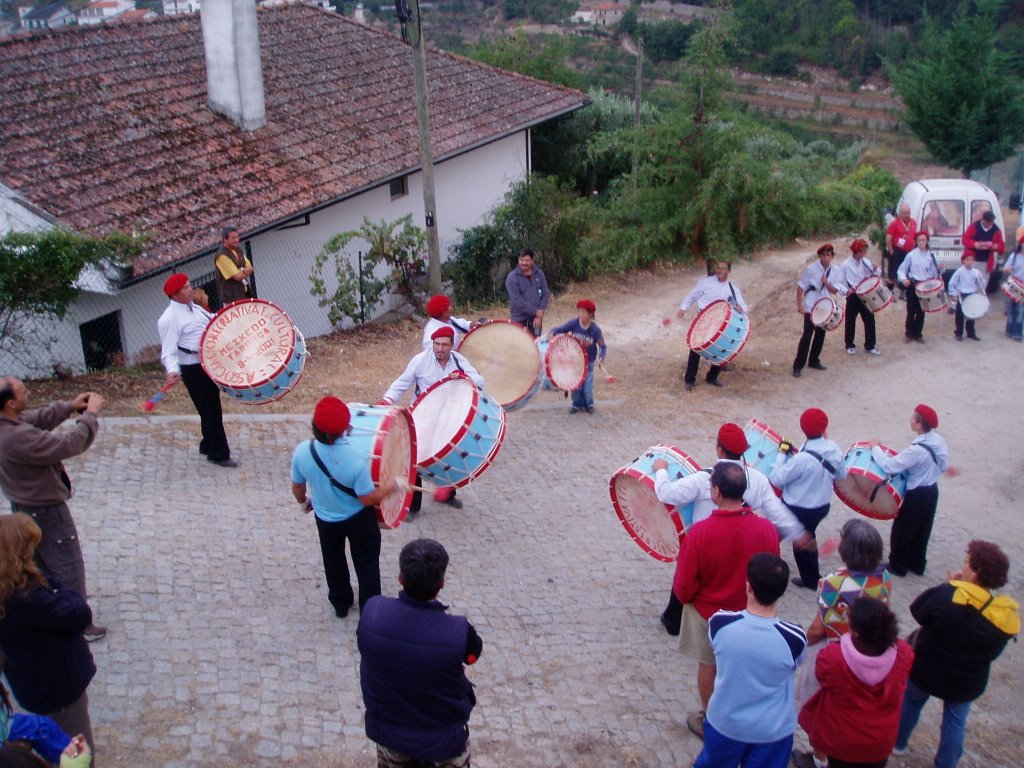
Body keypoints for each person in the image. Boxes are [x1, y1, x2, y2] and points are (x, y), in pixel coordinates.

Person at [654, 423, 809, 635]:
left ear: (719, 449)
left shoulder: (705, 478)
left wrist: (661, 470)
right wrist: (799, 533)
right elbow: (776, 511)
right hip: (741, 539)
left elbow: (667, 494)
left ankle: (674, 620)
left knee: (691, 575)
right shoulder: (758, 479)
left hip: (706, 540)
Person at [672, 463, 781, 741]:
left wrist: (691, 601)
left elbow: (683, 587)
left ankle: (711, 718)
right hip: (750, 613)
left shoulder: (699, 533)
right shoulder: (766, 530)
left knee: (708, 664)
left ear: (716, 492)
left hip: (708, 613)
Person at [358, 538, 482, 768]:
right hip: (443, 738)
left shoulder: (373, 613)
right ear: (442, 582)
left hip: (390, 730)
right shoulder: (458, 632)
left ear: (400, 579)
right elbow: (474, 654)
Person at [894, 541, 1019, 768]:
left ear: (975, 571)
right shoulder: (1002, 615)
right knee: (955, 722)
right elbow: (993, 653)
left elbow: (918, 611)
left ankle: (898, 743)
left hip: (927, 669)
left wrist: (949, 585)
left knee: (911, 702)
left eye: (967, 562)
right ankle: (946, 763)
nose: (963, 565)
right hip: (967, 681)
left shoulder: (948, 595)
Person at [0, 378, 106, 641]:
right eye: (24, 392)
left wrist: (69, 407)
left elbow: (34, 418)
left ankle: (48, 610)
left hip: (23, 507)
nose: (28, 395)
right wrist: (90, 415)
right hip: (46, 509)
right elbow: (70, 443)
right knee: (67, 563)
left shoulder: (8, 425)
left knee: (39, 563)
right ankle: (79, 621)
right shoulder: (17, 438)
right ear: (11, 403)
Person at [791, 520, 895, 768]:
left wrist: (800, 646)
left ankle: (819, 759)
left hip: (835, 650)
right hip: (871, 649)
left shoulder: (831, 584)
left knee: (818, 708)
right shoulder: (884, 578)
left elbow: (818, 628)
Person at [291, 397, 405, 618]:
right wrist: (393, 487)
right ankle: (370, 611)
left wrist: (303, 501)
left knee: (332, 560)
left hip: (325, 518)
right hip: (358, 520)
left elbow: (297, 487)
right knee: (367, 564)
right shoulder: (356, 459)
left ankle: (340, 603)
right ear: (345, 428)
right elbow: (367, 499)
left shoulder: (303, 451)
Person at [692, 553, 805, 768]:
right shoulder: (794, 637)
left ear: (748, 587)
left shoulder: (720, 624)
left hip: (726, 722)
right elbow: (796, 663)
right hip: (772, 729)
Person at [0, 514, 96, 759]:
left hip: (33, 685)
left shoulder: (8, 591)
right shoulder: (29, 599)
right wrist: (58, 586)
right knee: (76, 748)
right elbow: (79, 613)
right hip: (58, 688)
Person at [797, 597, 913, 768]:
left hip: (842, 738)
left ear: (856, 632)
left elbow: (823, 676)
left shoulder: (833, 657)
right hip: (881, 738)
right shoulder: (903, 653)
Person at [381, 326, 484, 512]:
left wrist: (464, 377)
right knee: (415, 457)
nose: (440, 349)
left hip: (450, 415)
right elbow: (401, 383)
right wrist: (387, 400)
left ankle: (447, 494)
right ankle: (413, 506)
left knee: (450, 453)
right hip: (423, 415)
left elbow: (480, 381)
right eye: (437, 344)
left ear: (452, 345)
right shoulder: (420, 361)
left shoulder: (459, 361)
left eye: (445, 345)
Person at [157, 273, 235, 468]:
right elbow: (168, 351)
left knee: (207, 409)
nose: (190, 289)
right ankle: (219, 454)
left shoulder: (195, 309)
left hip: (206, 364)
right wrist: (172, 370)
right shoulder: (169, 319)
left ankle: (208, 444)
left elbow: (211, 320)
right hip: (193, 369)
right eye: (185, 287)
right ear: (175, 295)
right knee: (211, 410)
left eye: (189, 285)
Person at [770, 408, 847, 590]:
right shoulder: (834, 448)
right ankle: (811, 579)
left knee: (772, 536)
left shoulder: (802, 458)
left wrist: (782, 454)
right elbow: (842, 475)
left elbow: (777, 479)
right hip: (821, 506)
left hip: (796, 507)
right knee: (805, 535)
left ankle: (763, 570)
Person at [869, 404, 947, 577]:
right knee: (923, 529)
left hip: (917, 493)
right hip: (932, 491)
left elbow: (890, 466)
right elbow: (943, 466)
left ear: (919, 425)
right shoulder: (938, 441)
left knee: (902, 530)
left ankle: (898, 565)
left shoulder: (917, 450)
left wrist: (875, 447)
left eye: (913, 418)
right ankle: (917, 563)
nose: (910, 420)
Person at [676, 261, 748, 391]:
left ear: (729, 271)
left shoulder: (732, 289)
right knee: (695, 350)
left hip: (720, 325)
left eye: (723, 268)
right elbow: (691, 296)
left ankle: (712, 377)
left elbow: (744, 308)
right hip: (703, 321)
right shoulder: (706, 282)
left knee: (721, 350)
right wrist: (683, 309)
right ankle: (689, 380)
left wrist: (738, 307)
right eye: (718, 268)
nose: (719, 271)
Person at [546, 299, 606, 414]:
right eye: (579, 312)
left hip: (589, 362)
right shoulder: (574, 323)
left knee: (587, 386)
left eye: (583, 312)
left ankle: (589, 404)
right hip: (575, 361)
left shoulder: (595, 330)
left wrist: (601, 358)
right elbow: (560, 329)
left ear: (590, 314)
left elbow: (603, 346)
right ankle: (576, 404)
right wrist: (552, 332)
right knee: (576, 385)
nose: (580, 315)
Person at [793, 244, 838, 378]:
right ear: (819, 256)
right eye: (823, 255)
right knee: (807, 336)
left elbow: (835, 291)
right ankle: (798, 366)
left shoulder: (835, 270)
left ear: (832, 256)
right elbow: (801, 287)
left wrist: (826, 282)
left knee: (820, 335)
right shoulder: (811, 269)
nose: (825, 258)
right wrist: (800, 304)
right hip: (810, 305)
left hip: (824, 306)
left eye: (828, 255)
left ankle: (814, 360)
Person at [837, 239, 883, 356]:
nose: (865, 253)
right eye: (863, 251)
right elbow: (838, 282)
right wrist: (846, 291)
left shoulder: (865, 262)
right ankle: (849, 344)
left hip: (865, 294)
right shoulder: (845, 265)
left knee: (869, 320)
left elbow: (876, 274)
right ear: (858, 252)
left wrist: (875, 269)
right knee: (850, 320)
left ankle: (870, 345)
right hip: (853, 296)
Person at [896, 231, 941, 344]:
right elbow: (902, 270)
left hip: (924, 285)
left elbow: (933, 273)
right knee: (911, 310)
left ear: (927, 241)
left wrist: (938, 269)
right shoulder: (911, 255)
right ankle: (909, 333)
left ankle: (918, 334)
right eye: (919, 240)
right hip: (913, 285)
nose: (921, 242)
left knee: (922, 311)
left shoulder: (931, 256)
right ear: (916, 242)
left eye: (923, 240)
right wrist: (904, 279)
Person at [505, 248, 550, 337]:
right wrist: (535, 311)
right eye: (521, 260)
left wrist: (539, 315)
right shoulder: (512, 277)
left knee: (535, 344)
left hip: (535, 319)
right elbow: (516, 300)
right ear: (518, 260)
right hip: (518, 319)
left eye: (527, 260)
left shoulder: (539, 274)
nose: (524, 263)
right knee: (518, 346)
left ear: (532, 261)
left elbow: (545, 294)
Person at [947, 253, 986, 342]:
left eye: (971, 260)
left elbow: (981, 284)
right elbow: (952, 283)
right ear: (963, 261)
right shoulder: (960, 271)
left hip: (971, 294)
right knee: (960, 315)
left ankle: (971, 333)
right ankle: (959, 333)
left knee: (971, 314)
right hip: (962, 295)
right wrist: (953, 294)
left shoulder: (976, 272)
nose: (969, 262)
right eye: (967, 260)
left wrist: (981, 279)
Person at [213, 225, 254, 306]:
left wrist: (241, 270)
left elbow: (250, 268)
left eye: (237, 237)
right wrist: (243, 270)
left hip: (245, 294)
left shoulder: (238, 250)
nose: (237, 240)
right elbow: (237, 277)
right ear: (225, 239)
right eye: (233, 238)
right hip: (232, 299)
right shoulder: (222, 256)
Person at [885, 203, 917, 296]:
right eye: (905, 213)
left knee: (907, 272)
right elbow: (888, 238)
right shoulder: (894, 223)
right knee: (892, 272)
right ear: (900, 213)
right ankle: (890, 292)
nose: (907, 215)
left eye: (908, 213)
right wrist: (891, 251)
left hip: (909, 252)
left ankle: (903, 292)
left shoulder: (913, 222)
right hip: (897, 251)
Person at [961, 209, 1004, 275]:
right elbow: (964, 240)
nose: (989, 224)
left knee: (983, 283)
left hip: (986, 262)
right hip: (972, 260)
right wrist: (974, 244)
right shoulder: (974, 227)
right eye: (987, 222)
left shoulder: (996, 231)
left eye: (991, 222)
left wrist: (996, 247)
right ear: (983, 220)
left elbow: (1002, 246)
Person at [1003, 239, 1024, 341]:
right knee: (1010, 309)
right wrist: (1007, 269)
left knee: (1020, 310)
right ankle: (1009, 330)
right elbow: (1006, 268)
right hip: (1013, 285)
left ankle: (1017, 333)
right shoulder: (1014, 256)